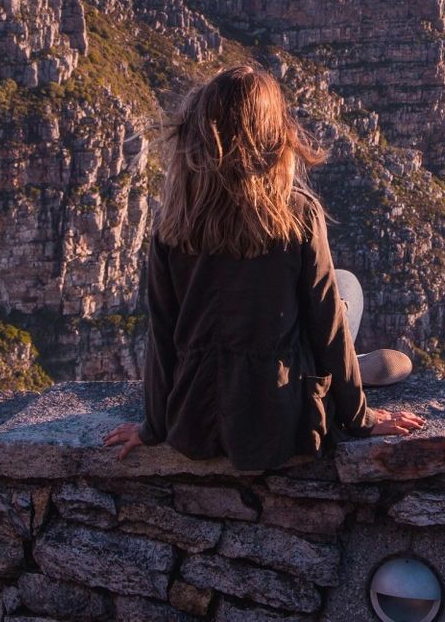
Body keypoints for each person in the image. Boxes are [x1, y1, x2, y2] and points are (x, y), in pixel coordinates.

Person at [104, 64, 424, 467]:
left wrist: (152, 428)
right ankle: (349, 372)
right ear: (273, 137)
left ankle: (346, 368)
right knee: (346, 289)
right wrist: (360, 419)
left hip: (195, 423)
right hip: (280, 422)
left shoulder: (172, 224)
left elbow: (164, 336)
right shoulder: (297, 214)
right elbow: (326, 327)